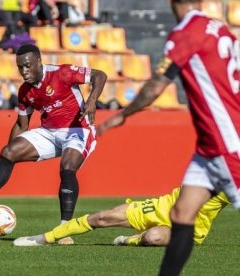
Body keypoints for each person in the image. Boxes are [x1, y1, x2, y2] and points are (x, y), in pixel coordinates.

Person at [98, 0, 240, 275]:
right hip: (209, 148)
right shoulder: (220, 30)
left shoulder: (186, 33)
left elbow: (155, 86)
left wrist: (123, 114)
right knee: (181, 215)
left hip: (228, 144)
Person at [0, 44, 107, 245]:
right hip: (49, 132)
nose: (24, 71)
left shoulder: (62, 73)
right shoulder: (25, 92)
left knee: (67, 167)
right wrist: (5, 159)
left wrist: (92, 100)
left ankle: (64, 228)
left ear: (38, 62)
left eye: (27, 66)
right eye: (20, 67)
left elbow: (100, 75)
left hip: (78, 129)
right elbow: (21, 124)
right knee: (9, 151)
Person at [13, 187, 230, 246]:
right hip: (157, 208)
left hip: (186, 230)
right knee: (102, 217)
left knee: (152, 237)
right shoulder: (207, 159)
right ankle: (44, 238)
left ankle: (131, 240)